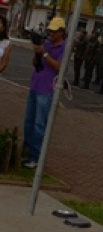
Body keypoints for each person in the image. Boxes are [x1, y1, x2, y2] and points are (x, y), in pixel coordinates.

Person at [22, 17, 67, 168]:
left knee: (39, 124)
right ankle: (26, 152)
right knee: (29, 121)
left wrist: (46, 54)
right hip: (35, 85)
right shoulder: (46, 44)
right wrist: (37, 53)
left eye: (54, 31)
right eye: (50, 31)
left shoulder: (63, 48)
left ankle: (35, 157)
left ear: (61, 32)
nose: (51, 34)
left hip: (47, 89)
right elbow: (36, 64)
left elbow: (59, 67)